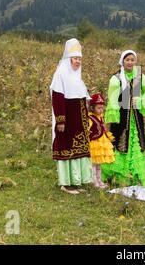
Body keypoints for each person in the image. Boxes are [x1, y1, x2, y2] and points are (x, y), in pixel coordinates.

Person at [101, 50, 145, 187]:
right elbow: (112, 100)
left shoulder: (139, 77)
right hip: (121, 119)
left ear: (135, 61)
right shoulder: (116, 78)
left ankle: (136, 177)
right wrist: (112, 119)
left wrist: (141, 100)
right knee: (120, 144)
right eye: (127, 60)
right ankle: (119, 177)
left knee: (137, 145)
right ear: (122, 61)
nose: (130, 62)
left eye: (132, 60)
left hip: (136, 118)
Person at [50, 38, 92, 195]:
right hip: (67, 120)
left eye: (80, 59)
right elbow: (57, 98)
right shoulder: (61, 74)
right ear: (69, 59)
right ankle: (66, 184)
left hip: (79, 120)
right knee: (67, 148)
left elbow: (83, 95)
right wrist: (60, 119)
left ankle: (76, 181)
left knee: (78, 150)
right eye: (75, 58)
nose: (78, 62)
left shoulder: (77, 76)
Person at [88, 93, 115, 189]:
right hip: (94, 144)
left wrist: (109, 137)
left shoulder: (100, 117)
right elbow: (87, 130)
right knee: (93, 164)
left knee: (98, 164)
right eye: (98, 108)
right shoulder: (90, 118)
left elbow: (104, 128)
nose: (101, 110)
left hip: (101, 142)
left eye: (102, 107)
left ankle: (99, 181)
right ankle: (94, 181)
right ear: (92, 107)